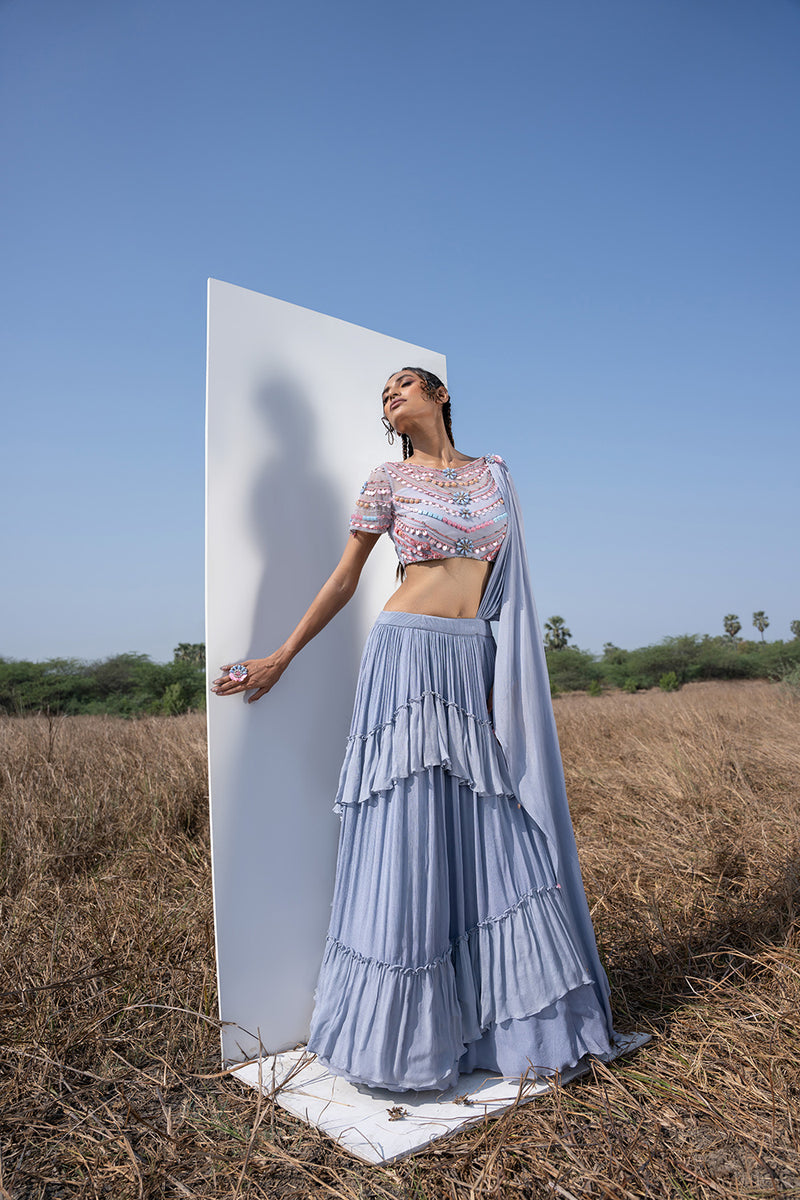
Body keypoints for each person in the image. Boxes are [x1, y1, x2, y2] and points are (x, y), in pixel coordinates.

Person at [213, 367, 618, 1093]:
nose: (390, 396)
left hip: (473, 658)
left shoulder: (495, 475)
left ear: (440, 396)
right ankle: (405, 1041)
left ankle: (512, 1028)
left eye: (404, 384)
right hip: (404, 655)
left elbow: (508, 586)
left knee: (494, 829)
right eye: (382, 395)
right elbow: (345, 579)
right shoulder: (386, 482)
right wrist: (280, 655)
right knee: (410, 831)